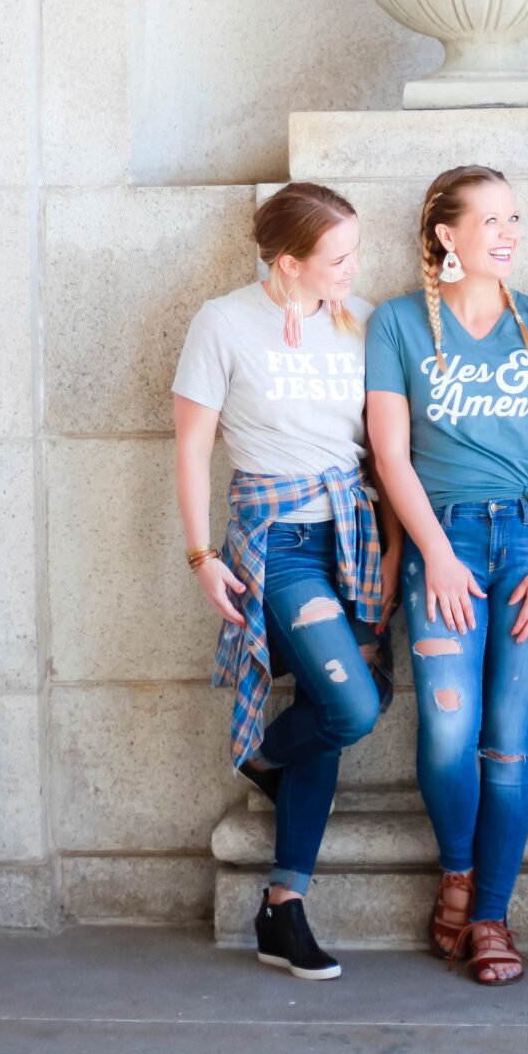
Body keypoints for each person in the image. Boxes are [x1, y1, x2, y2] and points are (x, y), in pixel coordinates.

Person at [366, 166, 528, 985]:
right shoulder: (396, 325)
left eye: (513, 219)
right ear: (445, 235)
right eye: (490, 219)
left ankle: (492, 917)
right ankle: (457, 872)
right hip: (447, 542)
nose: (507, 233)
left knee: (506, 744)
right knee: (446, 731)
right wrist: (431, 551)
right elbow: (390, 454)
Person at [173, 182, 400, 982]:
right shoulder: (223, 323)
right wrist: (203, 556)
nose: (353, 268)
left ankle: (281, 910)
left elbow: (390, 441)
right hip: (280, 546)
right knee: (350, 707)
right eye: (338, 258)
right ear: (288, 259)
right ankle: (260, 756)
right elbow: (194, 449)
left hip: (353, 540)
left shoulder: (361, 320)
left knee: (326, 710)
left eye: (355, 252)